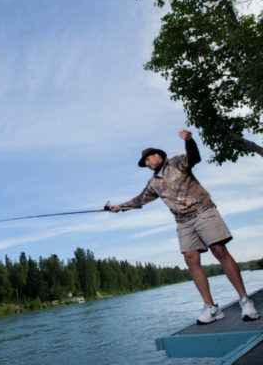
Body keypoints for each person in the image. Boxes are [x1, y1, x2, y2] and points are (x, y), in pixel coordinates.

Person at [105, 129, 260, 324]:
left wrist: (189, 141)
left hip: (203, 211)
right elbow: (139, 200)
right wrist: (118, 207)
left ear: (158, 155)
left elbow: (194, 158)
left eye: (147, 159)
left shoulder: (177, 162)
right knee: (190, 258)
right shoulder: (153, 182)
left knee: (219, 250)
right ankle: (211, 307)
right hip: (183, 222)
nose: (146, 163)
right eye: (144, 162)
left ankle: (245, 301)